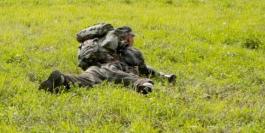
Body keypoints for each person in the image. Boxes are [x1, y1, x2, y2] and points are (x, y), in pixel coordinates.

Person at [39, 25, 175, 95]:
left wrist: (165, 77)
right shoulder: (125, 48)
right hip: (111, 67)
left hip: (94, 67)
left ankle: (64, 80)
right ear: (128, 37)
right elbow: (144, 68)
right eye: (132, 37)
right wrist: (149, 77)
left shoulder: (100, 43)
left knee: (87, 78)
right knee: (116, 75)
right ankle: (143, 85)